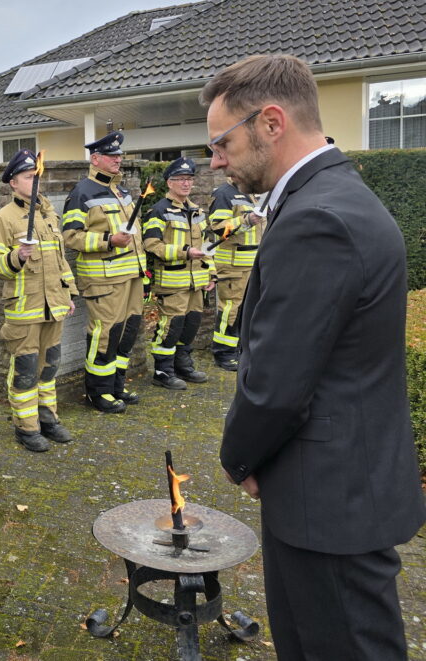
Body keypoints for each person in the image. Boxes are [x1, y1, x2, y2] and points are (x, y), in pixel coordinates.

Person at [202, 54, 426, 659]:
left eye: (221, 142)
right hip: (341, 487)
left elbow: (277, 382)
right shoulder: (333, 195)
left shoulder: (317, 219)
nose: (215, 160)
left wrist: (238, 456)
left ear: (271, 122)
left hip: (327, 501)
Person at [0, 149, 78, 452]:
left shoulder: (50, 215)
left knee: (49, 368)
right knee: (25, 371)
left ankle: (47, 420)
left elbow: (61, 261)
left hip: (54, 306)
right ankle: (26, 428)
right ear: (13, 182)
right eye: (28, 176)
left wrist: (69, 293)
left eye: (36, 175)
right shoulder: (2, 219)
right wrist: (16, 257)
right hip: (25, 310)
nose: (34, 180)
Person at [61, 131, 146, 413]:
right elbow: (71, 237)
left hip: (131, 277)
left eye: (119, 155)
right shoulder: (82, 192)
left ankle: (116, 386)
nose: (118, 160)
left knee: (127, 332)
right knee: (104, 334)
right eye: (111, 156)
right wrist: (108, 241)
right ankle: (98, 394)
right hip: (104, 279)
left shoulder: (122, 191)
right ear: (95, 159)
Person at [142, 157, 215, 389]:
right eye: (180, 179)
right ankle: (163, 372)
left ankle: (184, 366)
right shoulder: (159, 211)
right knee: (170, 326)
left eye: (189, 179)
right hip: (172, 282)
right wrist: (185, 252)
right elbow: (151, 244)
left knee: (191, 324)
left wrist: (211, 274)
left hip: (196, 282)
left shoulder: (197, 211)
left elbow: (208, 244)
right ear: (169, 183)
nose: (186, 184)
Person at [205, 177, 263, 371]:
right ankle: (223, 353)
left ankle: (239, 349)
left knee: (246, 310)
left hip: (252, 264)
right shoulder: (223, 194)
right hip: (232, 265)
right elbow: (218, 227)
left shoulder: (251, 194)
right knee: (230, 310)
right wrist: (245, 220)